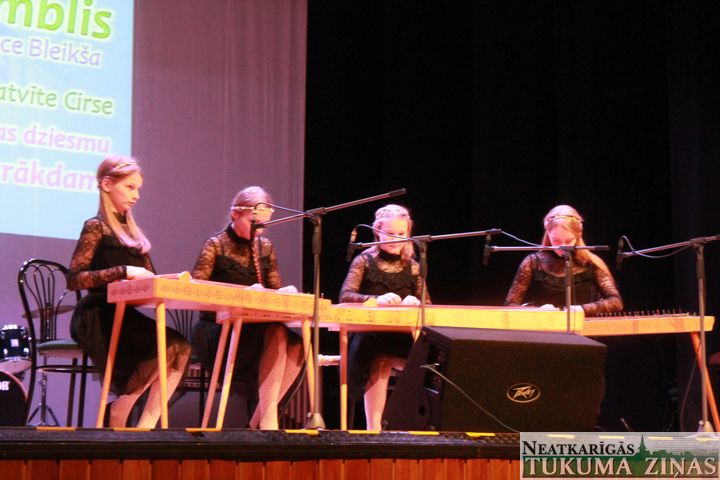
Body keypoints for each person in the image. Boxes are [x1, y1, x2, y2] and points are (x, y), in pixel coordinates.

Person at [68, 156, 191, 428]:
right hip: (98, 315)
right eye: (130, 187)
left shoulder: (134, 235)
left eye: (138, 189)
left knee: (180, 346)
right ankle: (122, 410)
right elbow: (74, 279)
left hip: (125, 315)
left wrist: (175, 281)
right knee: (167, 346)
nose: (136, 196)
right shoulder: (96, 226)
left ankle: (143, 422)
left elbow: (150, 278)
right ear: (107, 185)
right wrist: (122, 271)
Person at [190, 186, 303, 430]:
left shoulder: (265, 247)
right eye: (254, 223)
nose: (258, 229)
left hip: (255, 327)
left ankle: (256, 423)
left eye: (263, 225)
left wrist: (283, 293)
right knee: (277, 334)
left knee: (298, 345)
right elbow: (195, 291)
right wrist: (241, 295)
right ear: (235, 214)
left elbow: (274, 291)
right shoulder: (216, 245)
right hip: (218, 327)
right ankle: (269, 422)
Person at [339, 204, 430, 430]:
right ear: (377, 232)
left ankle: (415, 427)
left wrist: (416, 303)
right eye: (390, 233)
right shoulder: (364, 260)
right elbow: (346, 295)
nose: (396, 239)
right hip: (370, 336)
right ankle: (374, 429)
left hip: (402, 337)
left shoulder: (413, 266)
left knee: (430, 359)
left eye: (401, 233)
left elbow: (428, 304)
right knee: (378, 359)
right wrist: (375, 299)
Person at [504, 204, 623, 316]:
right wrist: (537, 310)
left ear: (578, 235)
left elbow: (616, 302)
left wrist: (582, 309)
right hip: (544, 327)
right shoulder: (533, 262)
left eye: (568, 241)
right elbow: (510, 304)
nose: (562, 246)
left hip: (582, 327)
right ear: (548, 234)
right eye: (556, 240)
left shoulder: (591, 262)